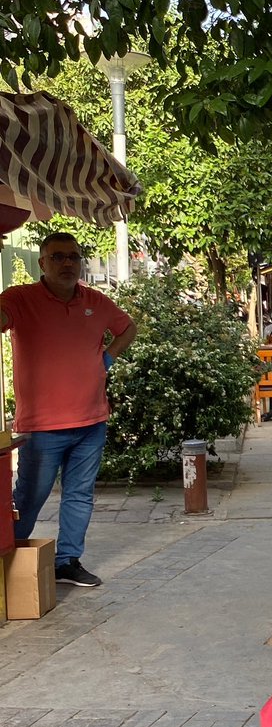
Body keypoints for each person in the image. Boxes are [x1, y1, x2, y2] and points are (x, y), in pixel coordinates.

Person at [0, 232, 136, 588]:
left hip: (92, 421)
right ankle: (8, 562)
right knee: (29, 497)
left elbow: (127, 328)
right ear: (42, 262)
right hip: (42, 427)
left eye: (73, 257)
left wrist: (106, 360)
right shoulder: (20, 299)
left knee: (79, 495)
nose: (67, 263)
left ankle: (67, 561)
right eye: (58, 257)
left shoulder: (96, 301)